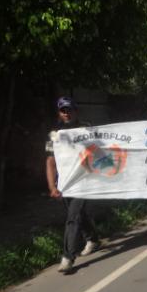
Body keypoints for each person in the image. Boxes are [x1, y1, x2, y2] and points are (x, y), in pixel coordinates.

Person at [45, 97, 98, 273]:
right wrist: (52, 186)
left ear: (76, 111)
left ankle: (68, 257)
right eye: (63, 110)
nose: (66, 113)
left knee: (72, 217)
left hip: (84, 180)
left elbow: (99, 150)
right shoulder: (54, 134)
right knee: (77, 214)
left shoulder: (86, 128)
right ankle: (93, 239)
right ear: (59, 113)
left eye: (69, 110)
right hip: (65, 182)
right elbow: (50, 161)